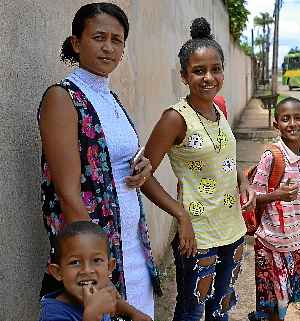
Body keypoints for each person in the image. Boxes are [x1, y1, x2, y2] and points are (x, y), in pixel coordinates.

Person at [38, 3, 194, 318]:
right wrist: (95, 268)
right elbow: (68, 195)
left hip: (132, 241)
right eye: (99, 37)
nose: (108, 47)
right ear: (76, 43)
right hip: (95, 251)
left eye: (117, 39)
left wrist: (145, 169)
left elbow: (123, 163)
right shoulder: (62, 98)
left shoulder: (110, 97)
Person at [142, 17, 255, 321]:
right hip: (199, 235)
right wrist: (180, 214)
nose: (209, 77)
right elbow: (142, 175)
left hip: (232, 229)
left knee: (221, 308)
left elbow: (223, 157)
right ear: (184, 75)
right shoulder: (175, 119)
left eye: (215, 69)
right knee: (192, 311)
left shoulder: (218, 107)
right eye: (199, 71)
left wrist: (243, 180)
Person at [248, 97, 300, 321]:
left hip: (296, 241)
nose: (292, 123)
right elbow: (252, 198)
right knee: (275, 301)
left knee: (287, 297)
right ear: (276, 125)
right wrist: (278, 195)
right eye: (285, 119)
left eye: (298, 118)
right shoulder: (272, 157)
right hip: (272, 243)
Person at [39, 221, 150, 321]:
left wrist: (134, 313)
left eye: (96, 260)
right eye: (75, 262)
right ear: (58, 272)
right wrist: (92, 314)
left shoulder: (103, 288)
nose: (87, 270)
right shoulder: (53, 314)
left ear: (109, 267)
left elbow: (114, 302)